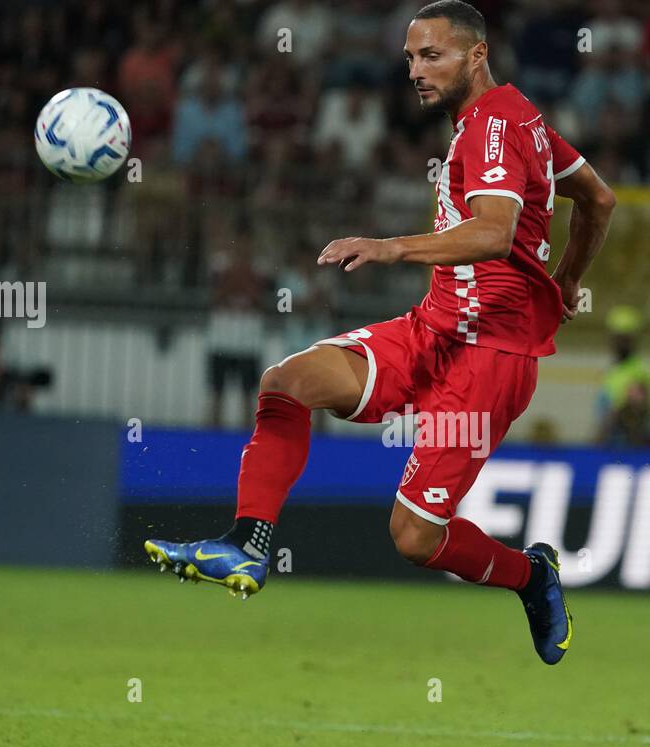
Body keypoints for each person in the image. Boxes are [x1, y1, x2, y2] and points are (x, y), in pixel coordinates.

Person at [145, 0, 616, 666]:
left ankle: (530, 574)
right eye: (410, 59)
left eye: (433, 56)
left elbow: (494, 232)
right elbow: (598, 199)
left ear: (476, 55)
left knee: (415, 539)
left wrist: (390, 248)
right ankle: (245, 544)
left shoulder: (491, 128)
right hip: (433, 329)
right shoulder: (520, 118)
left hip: (490, 356)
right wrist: (565, 280)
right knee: (289, 382)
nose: (417, 71)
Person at [595, 305, 650, 447]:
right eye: (617, 338)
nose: (620, 343)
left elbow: (637, 416)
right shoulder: (613, 370)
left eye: (625, 339)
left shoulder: (638, 372)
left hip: (625, 446)